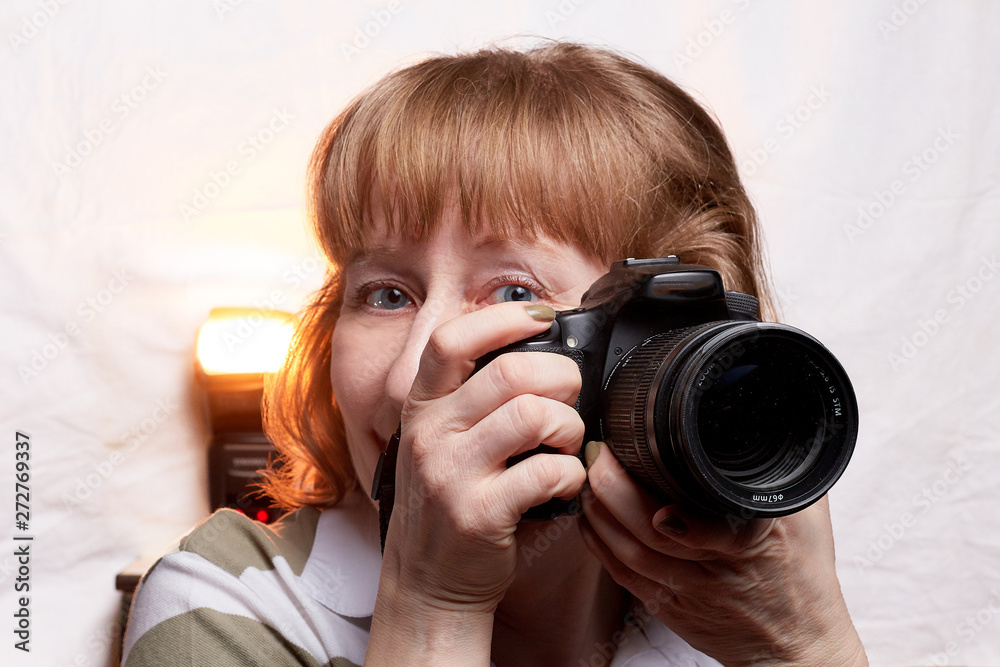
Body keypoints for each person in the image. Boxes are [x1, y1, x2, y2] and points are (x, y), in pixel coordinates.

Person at [122, 41, 868, 666]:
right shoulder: (221, 604)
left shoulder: (738, 593)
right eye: (386, 294)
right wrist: (433, 605)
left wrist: (804, 646)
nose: (415, 371)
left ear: (659, 344)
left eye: (513, 293)